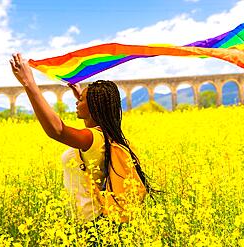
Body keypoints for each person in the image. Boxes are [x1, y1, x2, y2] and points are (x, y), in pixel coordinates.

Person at [9, 53, 152, 225]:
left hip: (92, 224)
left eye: (81, 100)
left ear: (93, 106)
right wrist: (82, 97)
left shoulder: (92, 138)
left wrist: (29, 83)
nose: (76, 103)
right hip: (94, 222)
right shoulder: (107, 136)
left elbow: (58, 131)